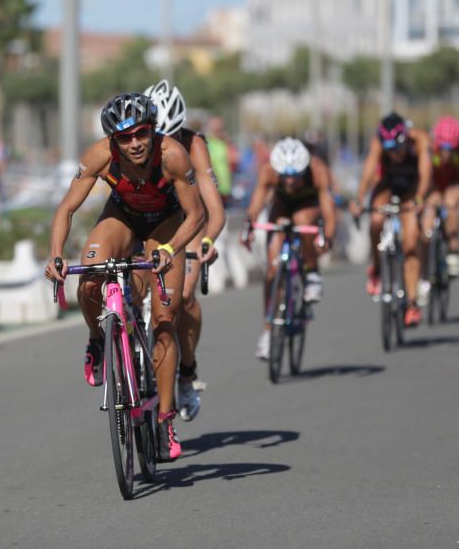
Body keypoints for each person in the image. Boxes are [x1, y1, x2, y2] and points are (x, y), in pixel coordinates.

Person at [44, 92, 205, 462]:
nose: (135, 144)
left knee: (166, 319)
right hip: (123, 216)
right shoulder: (99, 155)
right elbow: (66, 209)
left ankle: (165, 422)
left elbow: (195, 215)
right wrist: (55, 254)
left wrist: (169, 249)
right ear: (113, 141)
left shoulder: (172, 156)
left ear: (152, 131)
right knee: (90, 277)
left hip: (166, 225)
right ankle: (99, 340)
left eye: (141, 134)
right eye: (125, 138)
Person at [143, 80, 225, 422]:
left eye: (170, 135)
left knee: (185, 296)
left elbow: (212, 208)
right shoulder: (137, 142)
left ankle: (187, 373)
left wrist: (207, 242)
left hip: (187, 221)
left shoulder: (194, 145)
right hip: (149, 220)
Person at [242, 137, 336, 359]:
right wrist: (249, 227)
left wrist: (327, 237)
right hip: (282, 207)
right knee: (272, 271)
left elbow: (329, 210)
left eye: (296, 177)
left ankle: (312, 273)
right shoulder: (269, 171)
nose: (291, 182)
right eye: (286, 177)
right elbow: (257, 202)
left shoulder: (318, 170)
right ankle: (267, 332)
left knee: (303, 222)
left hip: (308, 206)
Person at [349, 113, 431, 328]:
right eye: (389, 150)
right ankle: (376, 267)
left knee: (411, 242)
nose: (394, 154)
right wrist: (359, 199)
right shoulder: (378, 144)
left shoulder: (420, 140)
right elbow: (368, 173)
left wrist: (420, 198)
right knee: (375, 220)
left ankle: (412, 303)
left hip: (411, 188)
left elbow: (425, 174)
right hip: (388, 184)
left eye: (398, 149)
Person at [423, 116, 459, 279]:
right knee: (429, 214)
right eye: (443, 147)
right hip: (435, 186)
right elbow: (424, 177)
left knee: (451, 203)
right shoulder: (430, 149)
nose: (446, 152)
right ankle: (427, 261)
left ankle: (453, 248)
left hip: (454, 185)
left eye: (451, 148)